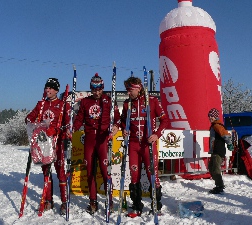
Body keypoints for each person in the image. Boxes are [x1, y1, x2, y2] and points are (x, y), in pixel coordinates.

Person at [73, 73, 121, 214]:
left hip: (102, 140)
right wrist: (71, 129)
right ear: (91, 89)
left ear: (102, 88)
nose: (97, 92)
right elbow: (79, 120)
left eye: (99, 89)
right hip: (89, 139)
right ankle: (93, 201)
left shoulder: (108, 101)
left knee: (106, 171)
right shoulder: (85, 102)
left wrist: (116, 126)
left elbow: (118, 118)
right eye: (94, 89)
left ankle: (109, 200)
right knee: (90, 171)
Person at [121, 76, 169, 218]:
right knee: (134, 176)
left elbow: (165, 120)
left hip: (148, 144)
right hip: (134, 144)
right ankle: (136, 205)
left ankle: (156, 205)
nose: (128, 93)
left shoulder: (152, 101)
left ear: (138, 88)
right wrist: (125, 128)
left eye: (130, 90)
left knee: (152, 175)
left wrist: (157, 134)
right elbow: (123, 121)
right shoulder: (127, 104)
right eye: (127, 90)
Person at [25, 78, 71, 215]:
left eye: (50, 88)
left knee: (60, 171)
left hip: (57, 143)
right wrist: (30, 123)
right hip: (43, 144)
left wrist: (58, 130)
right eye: (46, 88)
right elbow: (30, 117)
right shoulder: (41, 104)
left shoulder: (63, 105)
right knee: (46, 171)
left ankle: (64, 202)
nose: (48, 90)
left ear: (56, 90)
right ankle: (48, 200)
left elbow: (68, 124)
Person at [208, 108, 234, 194]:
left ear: (215, 116)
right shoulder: (214, 125)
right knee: (211, 167)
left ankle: (219, 186)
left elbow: (225, 134)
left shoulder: (217, 125)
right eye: (209, 116)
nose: (210, 117)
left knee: (215, 169)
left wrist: (229, 144)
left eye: (211, 116)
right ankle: (219, 184)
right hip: (215, 150)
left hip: (218, 150)